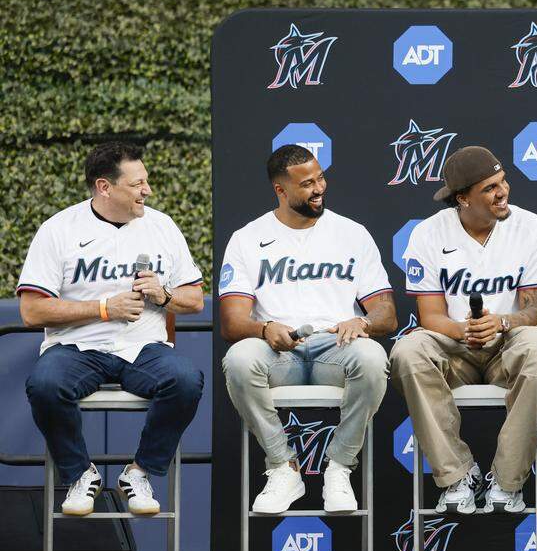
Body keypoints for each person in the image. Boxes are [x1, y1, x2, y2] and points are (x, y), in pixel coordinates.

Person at [19, 142, 205, 516]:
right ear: (105, 187)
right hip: (76, 348)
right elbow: (31, 310)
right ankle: (79, 474)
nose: (147, 191)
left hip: (143, 348)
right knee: (45, 385)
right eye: (137, 184)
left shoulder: (162, 226)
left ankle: (139, 472)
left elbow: (196, 299)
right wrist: (104, 308)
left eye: (146, 181)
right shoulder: (59, 229)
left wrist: (164, 295)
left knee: (186, 380)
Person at [219, 145, 396, 514]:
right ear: (281, 191)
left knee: (372, 356)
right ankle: (283, 466)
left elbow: (387, 314)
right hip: (278, 351)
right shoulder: (247, 238)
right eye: (307, 184)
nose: (319, 188)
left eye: (320, 178)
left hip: (336, 346)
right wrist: (264, 327)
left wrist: (361, 320)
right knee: (238, 360)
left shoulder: (353, 233)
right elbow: (232, 322)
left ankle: (340, 466)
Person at [389, 146, 537, 514]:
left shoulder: (529, 225)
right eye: (490, 188)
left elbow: (534, 309)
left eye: (503, 182)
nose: (503, 193)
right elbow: (430, 316)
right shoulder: (428, 233)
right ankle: (457, 475)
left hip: (508, 345)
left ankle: (507, 481)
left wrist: (501, 322)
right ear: (462, 198)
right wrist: (465, 330)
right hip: (456, 347)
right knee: (408, 351)